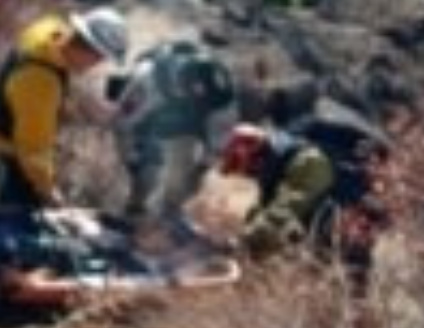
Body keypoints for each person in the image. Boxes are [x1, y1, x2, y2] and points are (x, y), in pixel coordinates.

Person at [217, 120, 389, 293]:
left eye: (238, 164)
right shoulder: (278, 170)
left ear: (255, 154)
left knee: (355, 295)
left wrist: (244, 244)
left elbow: (282, 214)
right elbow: (261, 213)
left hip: (357, 236)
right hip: (333, 245)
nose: (243, 173)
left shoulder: (307, 161)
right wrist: (233, 243)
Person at [0, 7, 128, 209]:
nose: (96, 65)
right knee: (19, 209)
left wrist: (80, 105)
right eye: (98, 58)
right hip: (8, 145)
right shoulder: (41, 82)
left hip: (0, 119)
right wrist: (49, 191)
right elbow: (32, 152)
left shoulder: (50, 32)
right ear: (89, 50)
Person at [106, 39, 237, 228]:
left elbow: (219, 142)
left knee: (184, 175)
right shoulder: (148, 79)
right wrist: (131, 159)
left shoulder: (222, 97)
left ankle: (170, 215)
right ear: (184, 88)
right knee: (148, 170)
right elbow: (123, 125)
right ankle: (133, 211)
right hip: (148, 120)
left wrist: (201, 169)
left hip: (188, 127)